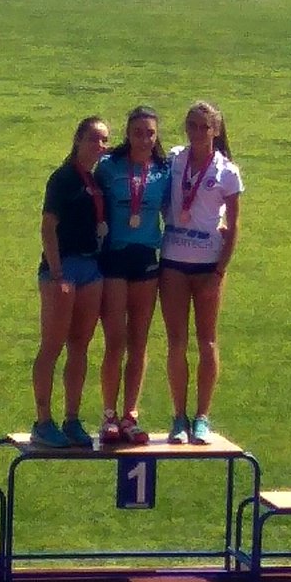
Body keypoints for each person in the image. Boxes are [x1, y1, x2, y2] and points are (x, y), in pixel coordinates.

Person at [159, 101, 244, 445]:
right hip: (173, 261)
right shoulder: (175, 159)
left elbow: (235, 224)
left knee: (207, 340)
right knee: (176, 341)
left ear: (216, 130)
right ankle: (179, 417)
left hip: (208, 265)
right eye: (191, 125)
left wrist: (220, 270)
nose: (196, 133)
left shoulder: (227, 171)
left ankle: (202, 418)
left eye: (203, 127)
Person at [31, 117, 111, 448]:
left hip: (91, 268)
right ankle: (43, 421)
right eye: (93, 139)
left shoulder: (96, 180)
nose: (100, 146)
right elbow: (48, 228)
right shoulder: (63, 178)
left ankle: (72, 419)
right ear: (78, 140)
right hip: (62, 270)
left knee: (80, 346)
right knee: (52, 345)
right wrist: (58, 272)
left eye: (105, 140)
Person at [95, 106, 173, 445]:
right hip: (114, 258)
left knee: (139, 341)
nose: (144, 138)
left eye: (150, 133)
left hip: (146, 260)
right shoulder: (109, 168)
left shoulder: (163, 171)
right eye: (138, 132)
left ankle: (131, 415)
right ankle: (109, 415)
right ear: (128, 133)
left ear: (157, 137)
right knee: (116, 340)